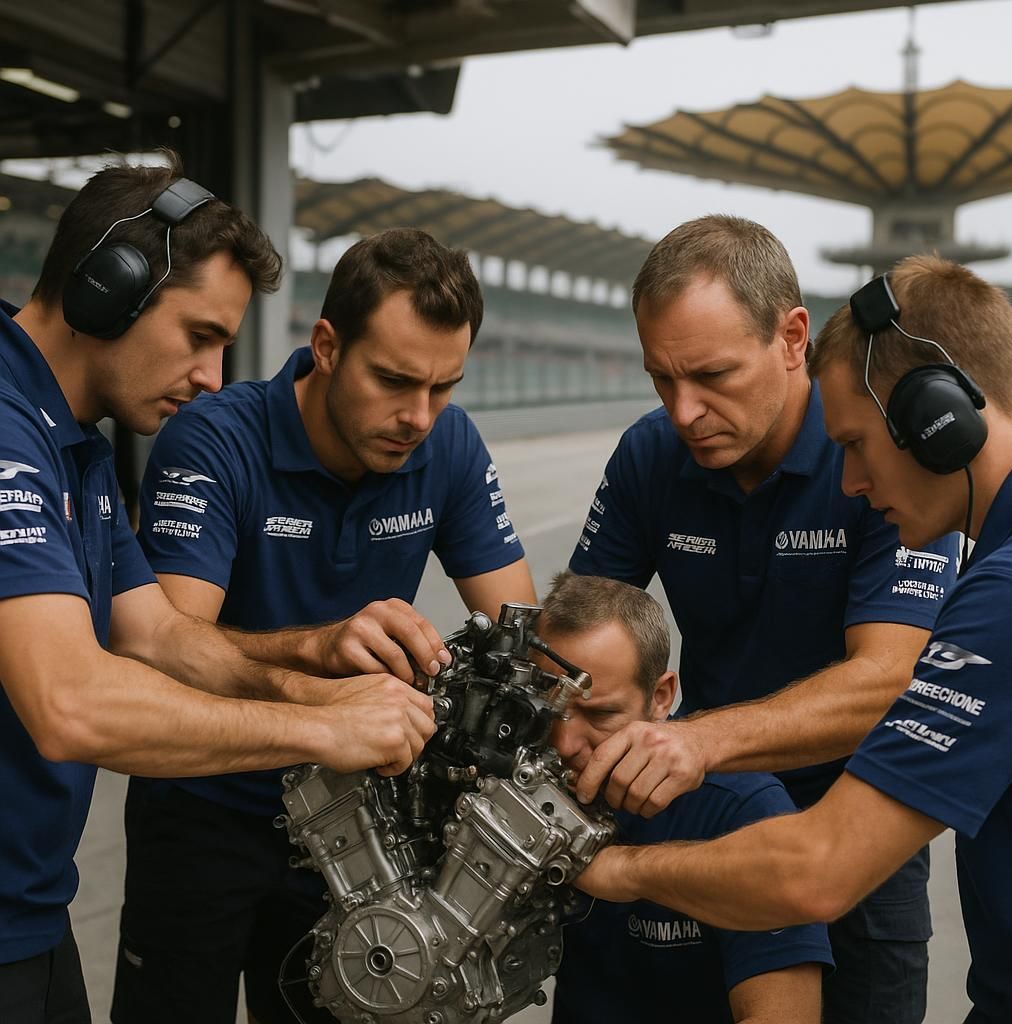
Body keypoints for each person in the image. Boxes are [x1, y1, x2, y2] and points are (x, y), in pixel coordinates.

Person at [0, 156, 443, 1024]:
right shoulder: (7, 427)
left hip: (34, 914)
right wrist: (321, 729)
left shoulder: (74, 443)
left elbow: (158, 636)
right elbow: (69, 704)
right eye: (199, 334)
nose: (211, 375)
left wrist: (323, 679)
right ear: (108, 290)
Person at [576, 254, 1012, 1024]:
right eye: (663, 381)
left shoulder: (1007, 593)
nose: (850, 482)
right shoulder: (1001, 567)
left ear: (939, 419)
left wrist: (615, 869)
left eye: (857, 444)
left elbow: (818, 869)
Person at [110, 227, 536, 1024]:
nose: (418, 417)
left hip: (354, 819)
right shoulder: (213, 437)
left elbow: (521, 635)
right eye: (394, 380)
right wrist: (319, 650)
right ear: (328, 347)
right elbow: (166, 645)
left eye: (444, 386)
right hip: (203, 803)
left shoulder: (449, 443)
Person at [535, 571, 832, 1024]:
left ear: (660, 697)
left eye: (600, 714)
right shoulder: (520, 783)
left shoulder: (742, 811)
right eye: (548, 709)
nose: (564, 744)